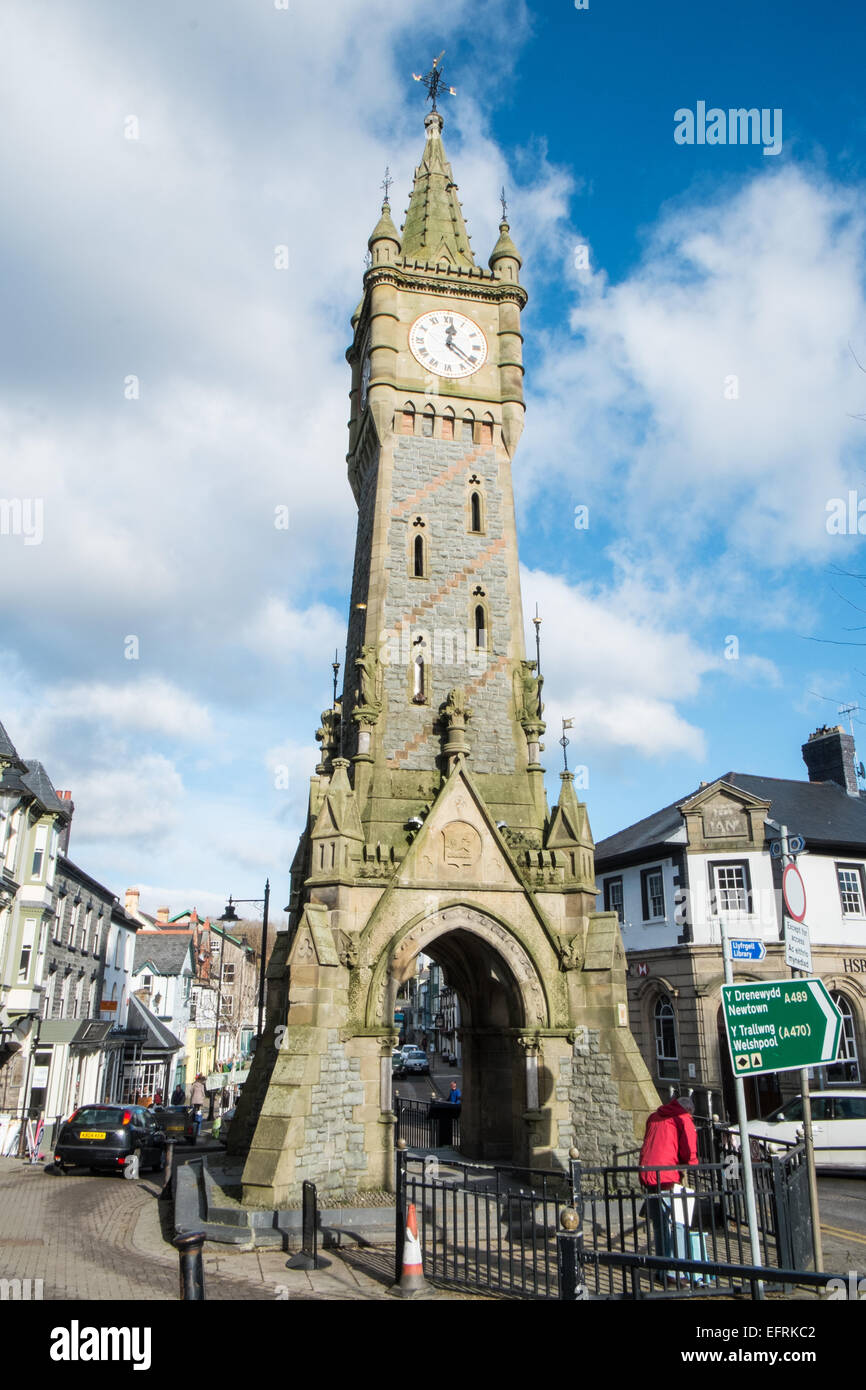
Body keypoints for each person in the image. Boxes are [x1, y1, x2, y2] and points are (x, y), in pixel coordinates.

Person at [639, 1095, 699, 1283]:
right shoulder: (682, 1118)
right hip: (666, 1176)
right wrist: (692, 1165)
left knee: (659, 1225)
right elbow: (689, 1150)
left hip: (648, 1173)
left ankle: (661, 1269)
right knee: (677, 1223)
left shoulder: (655, 1116)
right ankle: (676, 1272)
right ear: (689, 1111)